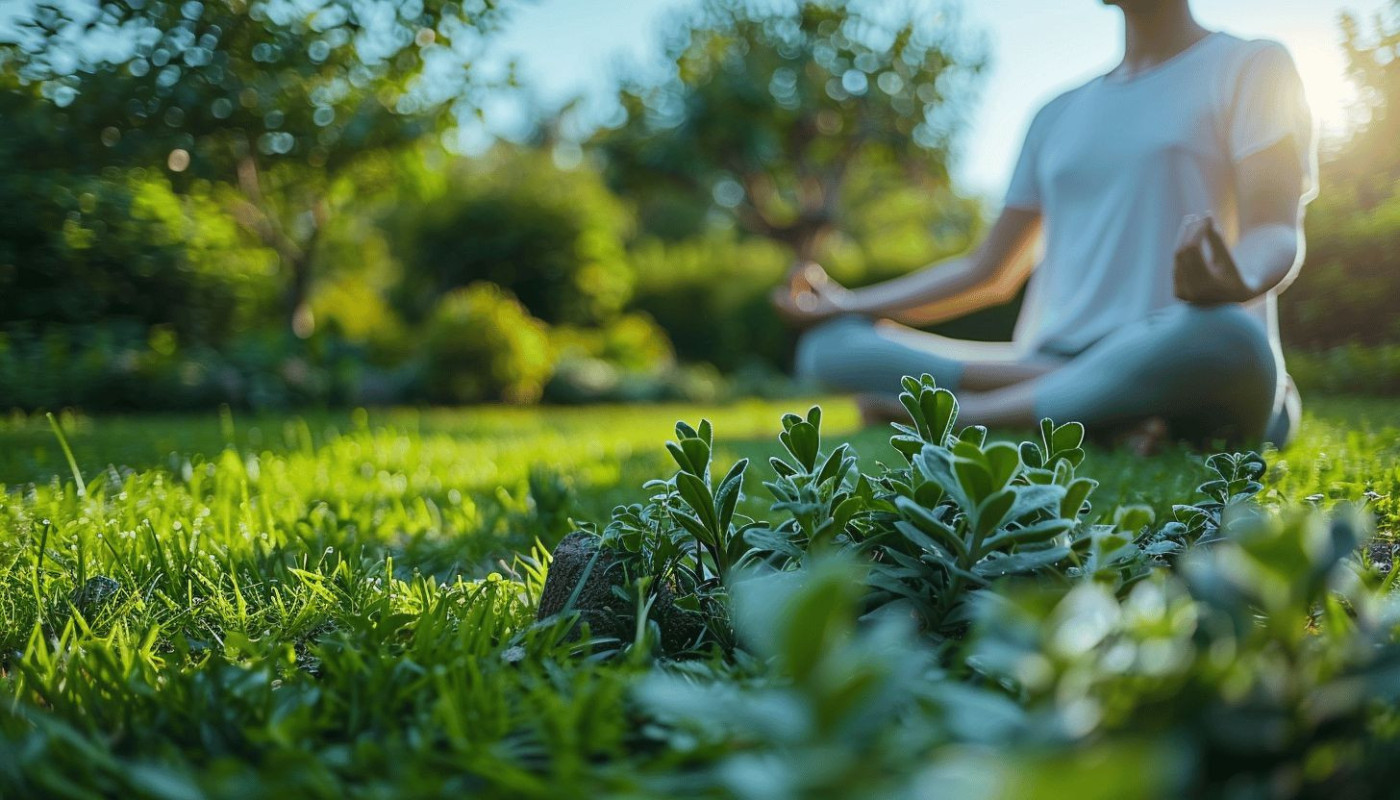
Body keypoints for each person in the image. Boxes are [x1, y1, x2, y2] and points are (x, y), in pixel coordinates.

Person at [771, 0, 1316, 452]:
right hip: (1052, 359)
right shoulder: (1056, 113)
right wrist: (842, 305)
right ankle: (1109, 416)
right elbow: (988, 271)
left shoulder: (1252, 66)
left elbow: (1274, 229)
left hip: (1181, 350)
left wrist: (1234, 281)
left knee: (1231, 339)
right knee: (831, 346)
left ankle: (968, 418)